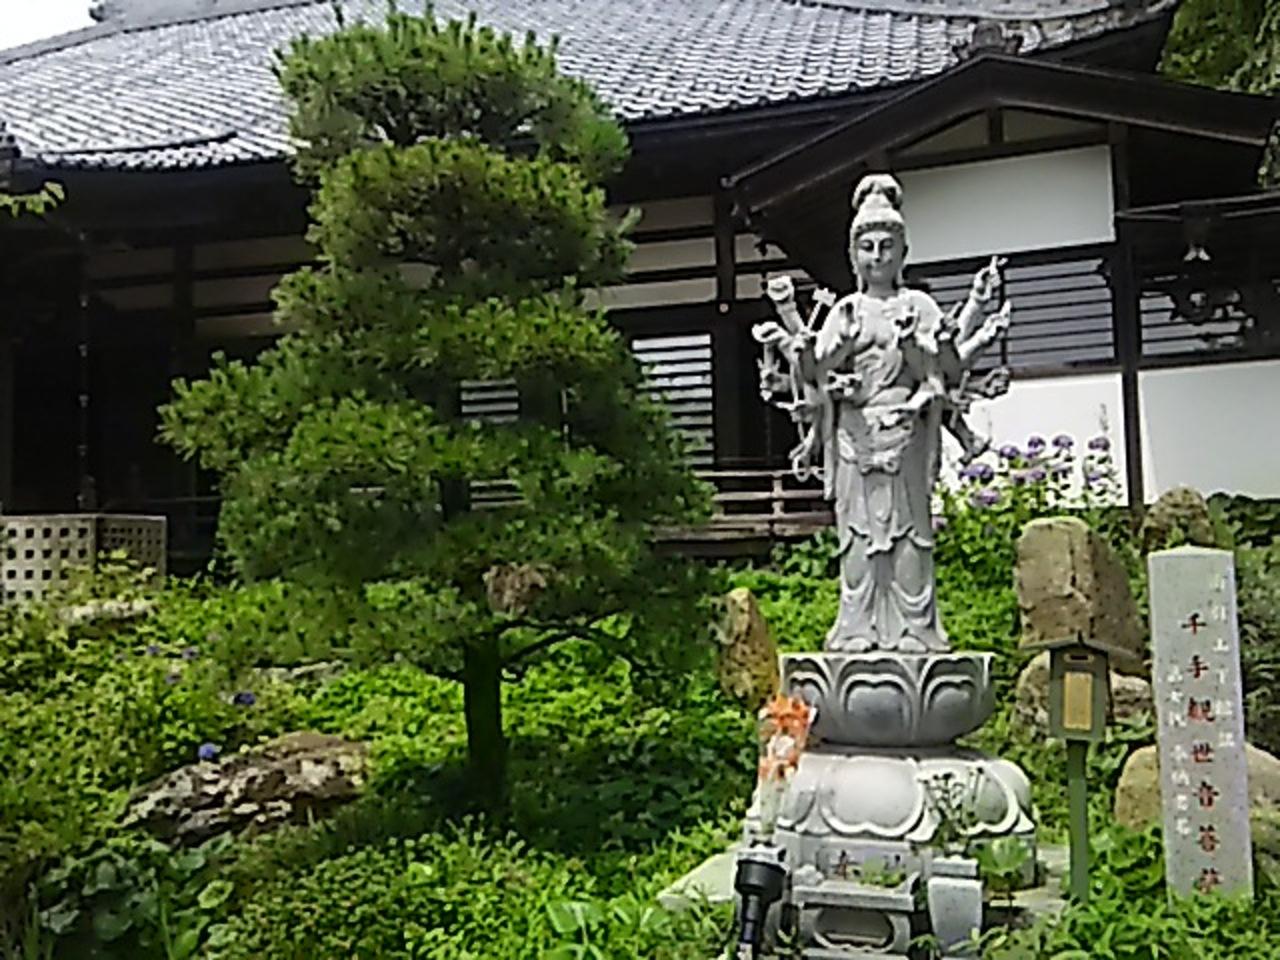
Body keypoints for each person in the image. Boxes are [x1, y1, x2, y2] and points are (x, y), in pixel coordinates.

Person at [753, 174, 1009, 653]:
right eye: (867, 247)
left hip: (905, 432)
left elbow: (949, 368)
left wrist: (941, 337)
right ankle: (856, 627)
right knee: (857, 537)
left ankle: (916, 629)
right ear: (853, 256)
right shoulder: (846, 310)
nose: (877, 256)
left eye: (887, 246)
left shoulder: (920, 305)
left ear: (903, 252)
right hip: (854, 435)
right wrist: (825, 346)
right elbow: (813, 371)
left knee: (911, 536)